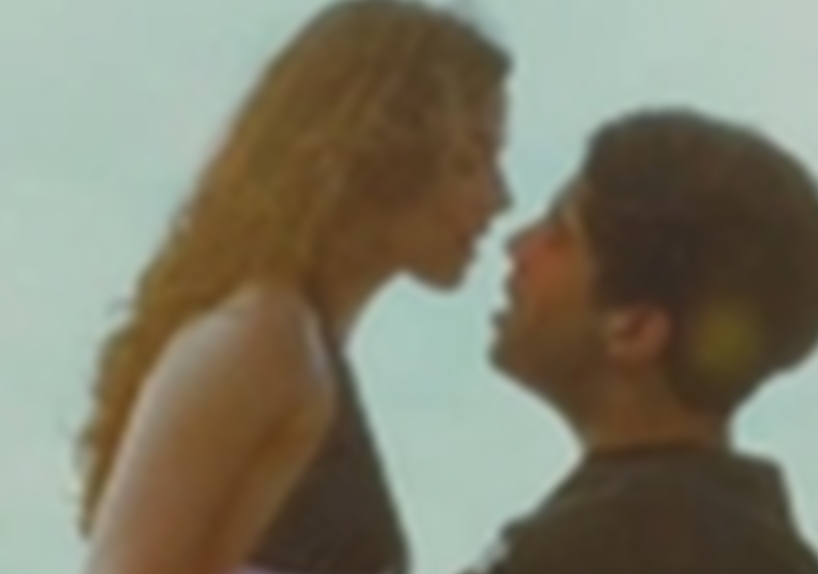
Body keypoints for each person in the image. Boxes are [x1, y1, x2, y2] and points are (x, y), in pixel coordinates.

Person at [77, 2, 510, 573]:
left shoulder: (297, 349)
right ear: (380, 152)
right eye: (469, 160)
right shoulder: (264, 337)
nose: (499, 198)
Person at [476, 109, 818, 574]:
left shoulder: (617, 548)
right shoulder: (725, 536)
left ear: (634, 329)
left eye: (560, 235)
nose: (518, 246)